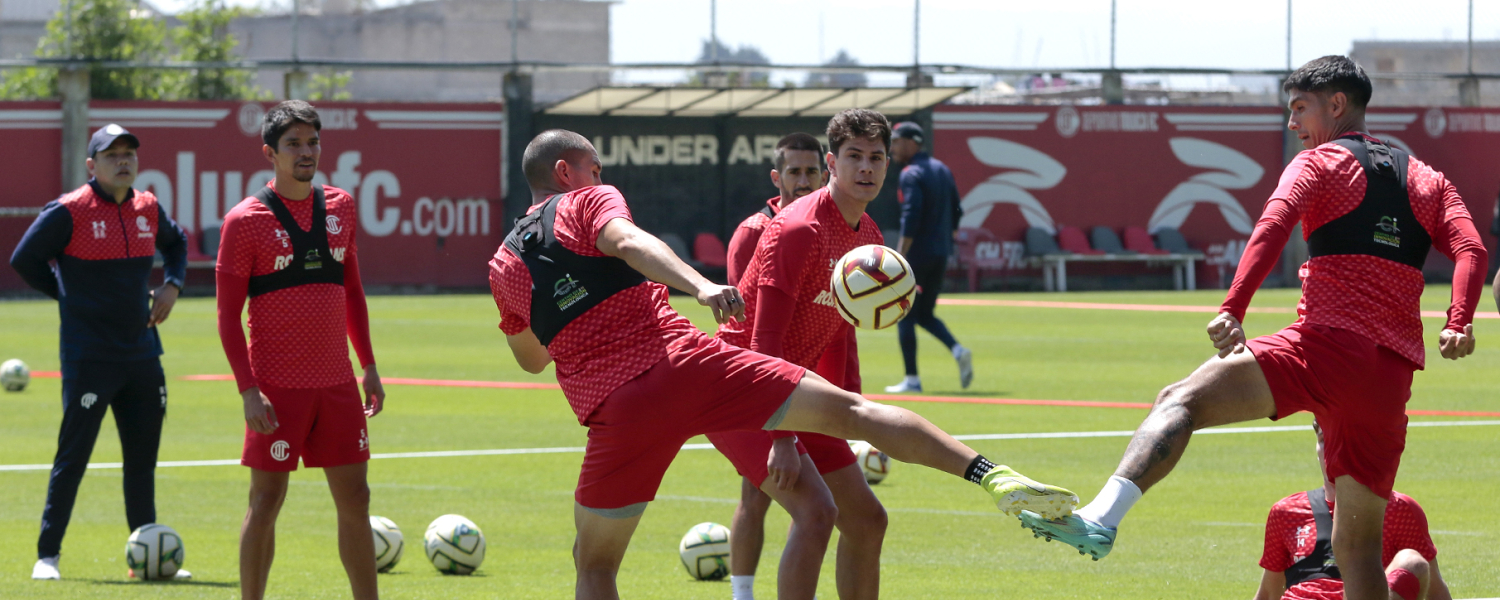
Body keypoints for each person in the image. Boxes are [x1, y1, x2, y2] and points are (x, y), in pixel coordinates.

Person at [488, 126, 1078, 600]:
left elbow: (531, 359)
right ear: (567, 173)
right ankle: (991, 475)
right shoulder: (589, 200)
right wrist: (699, 284)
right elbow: (629, 242)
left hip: (615, 411)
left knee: (592, 566)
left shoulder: (503, 265)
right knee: (854, 416)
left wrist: (569, 304)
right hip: (687, 365)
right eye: (596, 168)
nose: (602, 178)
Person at [1020, 56, 1485, 600]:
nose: (1292, 124)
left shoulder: (1319, 162)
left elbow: (1273, 223)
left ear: (1336, 105)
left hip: (1324, 347)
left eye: (1299, 108)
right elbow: (1471, 249)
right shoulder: (1428, 178)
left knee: (1180, 401)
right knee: (1359, 553)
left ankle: (1102, 516)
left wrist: (1233, 307)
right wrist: (1458, 321)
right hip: (1389, 376)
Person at [710, 113, 888, 600]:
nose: (865, 167)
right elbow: (763, 341)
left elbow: (840, 334)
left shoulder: (868, 236)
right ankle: (741, 590)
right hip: (736, 390)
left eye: (876, 157)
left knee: (868, 520)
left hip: (793, 390)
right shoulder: (798, 228)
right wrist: (782, 436)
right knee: (816, 513)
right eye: (854, 156)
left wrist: (856, 416)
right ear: (832, 162)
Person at [215, 100, 385, 600]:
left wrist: (369, 366)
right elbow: (226, 318)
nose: (305, 152)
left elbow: (352, 292)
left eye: (312, 142)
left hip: (337, 385)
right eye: (293, 144)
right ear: (270, 152)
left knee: (356, 497)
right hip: (276, 391)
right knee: (266, 501)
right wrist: (248, 391)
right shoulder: (243, 221)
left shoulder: (341, 206)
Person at [11, 124, 189, 581]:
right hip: (89, 357)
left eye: (129, 153)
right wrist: (65, 295)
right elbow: (24, 259)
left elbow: (176, 244)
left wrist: (172, 284)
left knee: (142, 461)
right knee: (73, 458)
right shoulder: (68, 211)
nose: (123, 161)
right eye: (112, 155)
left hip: (143, 355)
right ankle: (47, 555)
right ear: (92, 165)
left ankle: (146, 553)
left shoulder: (148, 207)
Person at [1254, 421, 1451, 600]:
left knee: (1412, 562)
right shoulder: (1286, 511)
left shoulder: (1400, 509)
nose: (1332, 451)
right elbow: (1268, 594)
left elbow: (1436, 594)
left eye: (1341, 442)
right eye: (1324, 440)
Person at [884, 121, 972, 393]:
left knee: (904, 315)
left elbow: (912, 215)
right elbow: (958, 210)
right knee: (925, 314)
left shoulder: (911, 173)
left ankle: (912, 379)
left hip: (917, 256)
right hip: (941, 253)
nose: (893, 147)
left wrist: (901, 253)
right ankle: (957, 349)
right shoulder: (941, 169)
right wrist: (946, 239)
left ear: (913, 142)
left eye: (897, 141)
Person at [725, 132, 826, 286]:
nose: (804, 182)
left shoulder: (835, 227)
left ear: (824, 178)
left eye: (811, 172)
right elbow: (741, 305)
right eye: (794, 172)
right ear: (776, 178)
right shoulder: (753, 231)